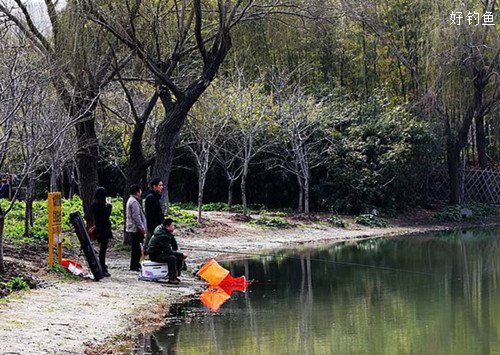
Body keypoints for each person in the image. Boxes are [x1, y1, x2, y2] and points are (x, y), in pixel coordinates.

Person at [147, 218, 187, 284]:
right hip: (154, 255)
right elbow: (168, 251)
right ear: (167, 226)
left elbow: (174, 245)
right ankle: (172, 278)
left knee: (176, 256)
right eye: (172, 226)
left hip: (160, 252)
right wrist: (181, 255)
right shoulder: (162, 235)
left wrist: (178, 252)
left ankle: (175, 275)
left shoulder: (164, 232)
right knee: (172, 258)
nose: (174, 227)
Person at [90, 187, 112, 277]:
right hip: (103, 229)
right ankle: (102, 266)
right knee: (103, 249)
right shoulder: (100, 205)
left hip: (99, 228)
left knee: (102, 248)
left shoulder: (94, 204)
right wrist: (109, 206)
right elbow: (106, 215)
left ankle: (102, 266)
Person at [126, 184, 147, 271]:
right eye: (140, 190)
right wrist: (142, 228)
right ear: (137, 192)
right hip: (135, 229)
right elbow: (136, 217)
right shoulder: (134, 202)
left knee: (136, 247)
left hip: (132, 227)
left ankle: (135, 265)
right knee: (137, 248)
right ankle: (135, 265)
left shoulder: (130, 200)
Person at [144, 178, 164, 251]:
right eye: (160, 185)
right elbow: (151, 215)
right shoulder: (151, 198)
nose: (162, 187)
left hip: (156, 227)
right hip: (153, 227)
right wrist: (157, 226)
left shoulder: (155, 197)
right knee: (149, 246)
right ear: (154, 186)